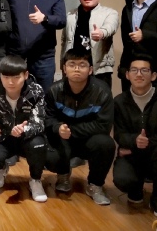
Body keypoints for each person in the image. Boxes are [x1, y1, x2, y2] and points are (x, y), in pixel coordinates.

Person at [44, 48, 115, 206]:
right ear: (64, 68)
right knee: (50, 151)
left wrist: (71, 130)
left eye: (82, 65)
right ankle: (63, 175)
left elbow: (104, 125)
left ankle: (95, 185)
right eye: (72, 64)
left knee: (106, 144)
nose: (77, 69)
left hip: (89, 140)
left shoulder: (102, 91)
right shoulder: (54, 90)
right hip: (63, 139)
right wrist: (58, 128)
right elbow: (48, 119)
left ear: (90, 70)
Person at [113, 54, 157, 220]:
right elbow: (119, 135)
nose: (139, 74)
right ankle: (135, 188)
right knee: (122, 179)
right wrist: (134, 141)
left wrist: (141, 144)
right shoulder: (119, 101)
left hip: (156, 153)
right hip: (133, 156)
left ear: (153, 75)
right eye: (134, 70)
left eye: (144, 70)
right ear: (127, 75)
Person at [0, 55, 48, 203]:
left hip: (27, 137)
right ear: (0, 75)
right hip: (4, 138)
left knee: (38, 144)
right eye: (6, 77)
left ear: (25, 75)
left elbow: (40, 122)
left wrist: (24, 130)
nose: (10, 82)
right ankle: (1, 168)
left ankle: (35, 179)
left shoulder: (36, 91)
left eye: (16, 77)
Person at [4, 0, 66, 94]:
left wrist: (45, 18)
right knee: (13, 95)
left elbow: (61, 20)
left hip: (43, 58)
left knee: (43, 97)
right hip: (15, 56)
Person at [61, 0, 119, 88]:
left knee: (100, 98)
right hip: (74, 68)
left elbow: (110, 27)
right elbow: (64, 41)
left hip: (99, 69)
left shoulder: (110, 13)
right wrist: (63, 65)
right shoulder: (70, 15)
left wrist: (101, 33)